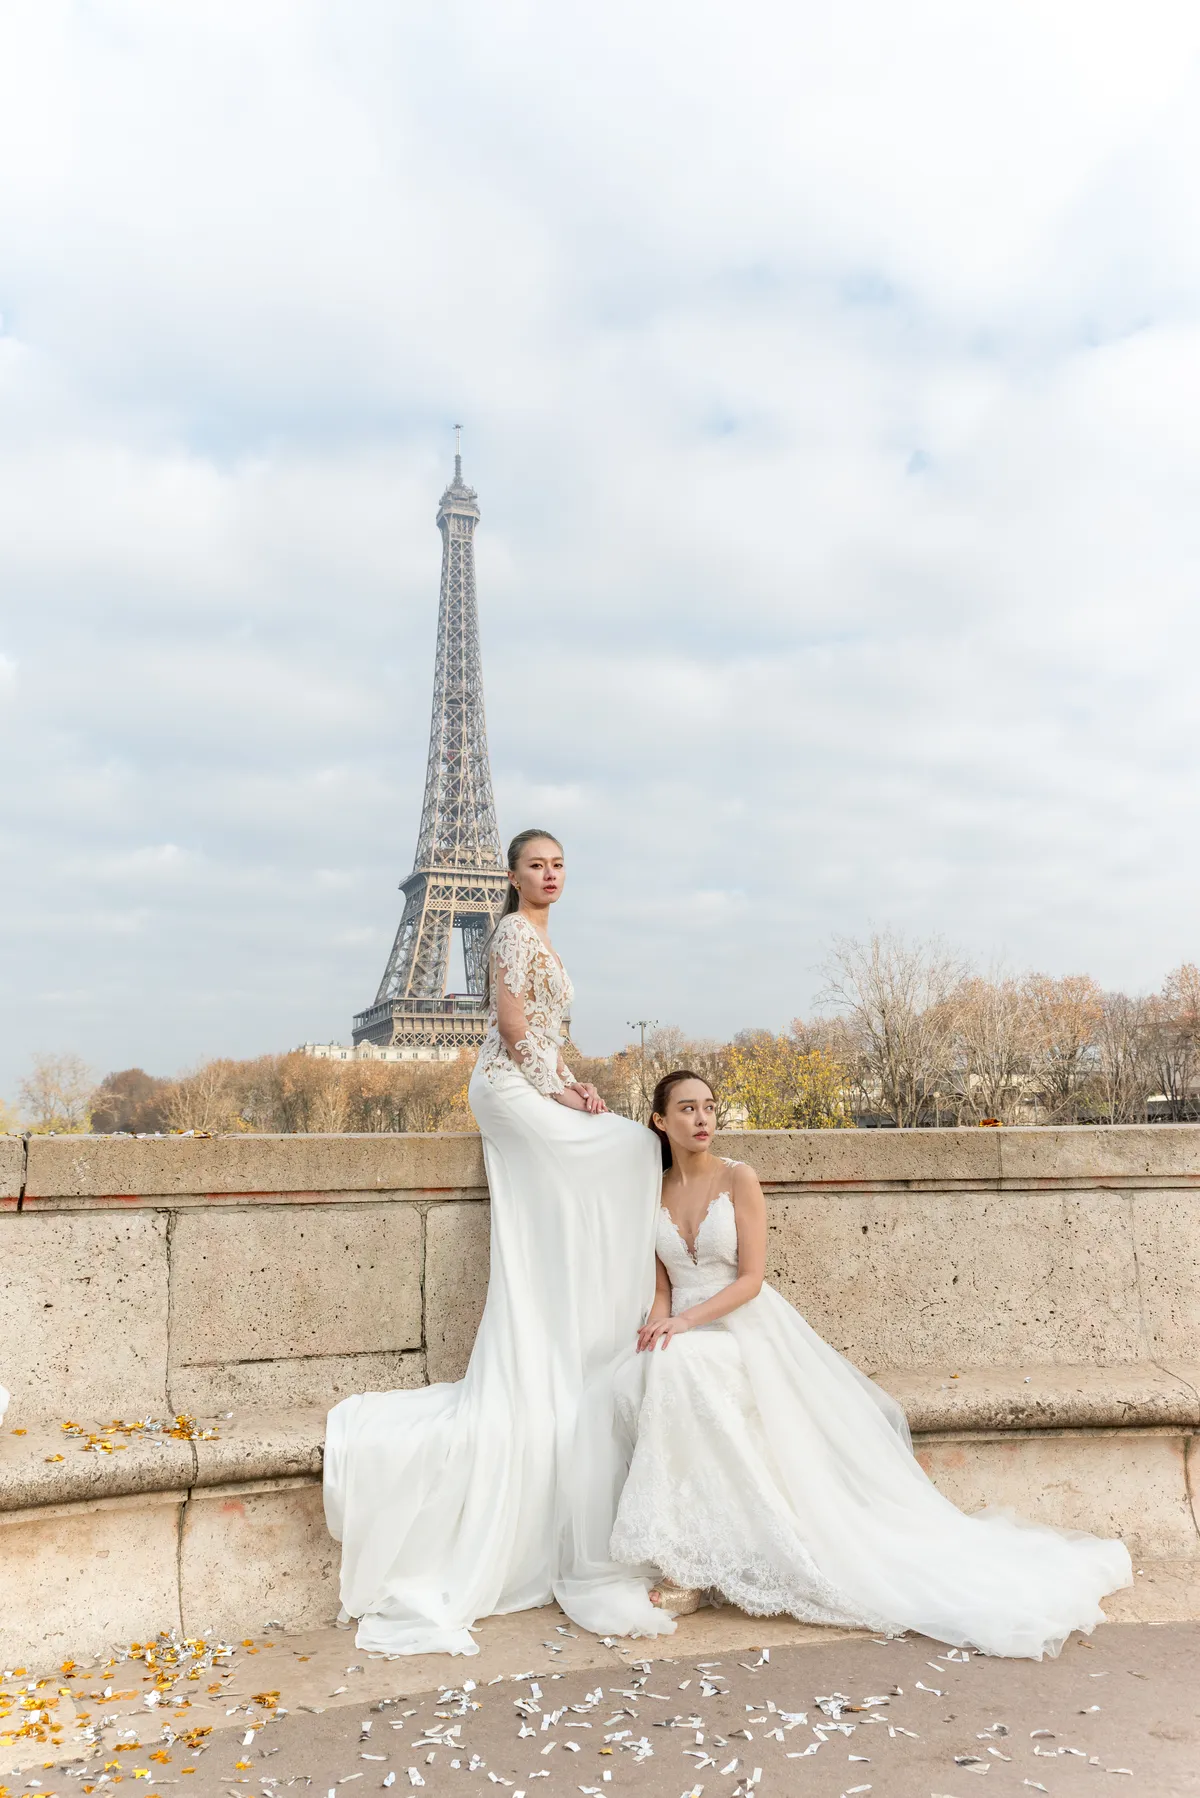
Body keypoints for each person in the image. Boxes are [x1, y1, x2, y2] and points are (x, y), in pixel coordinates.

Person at [556, 1070, 1132, 1660]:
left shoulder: (739, 1178)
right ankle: (689, 1552)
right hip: (684, 1331)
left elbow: (752, 1280)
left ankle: (692, 1568)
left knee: (679, 1370)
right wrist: (657, 1321)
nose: (702, 1119)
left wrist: (686, 1323)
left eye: (708, 1107)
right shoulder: (650, 1192)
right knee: (639, 1374)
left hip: (738, 1329)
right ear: (660, 1121)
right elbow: (662, 1282)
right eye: (686, 1109)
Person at [323, 830, 661, 1656]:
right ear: (508, 876)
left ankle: (573, 1319)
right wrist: (564, 1088)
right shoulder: (511, 928)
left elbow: (542, 1024)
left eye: (559, 866)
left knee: (613, 1152)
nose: (550, 876)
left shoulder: (542, 933)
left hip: (533, 1080)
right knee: (623, 1147)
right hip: (507, 1088)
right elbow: (511, 1026)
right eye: (537, 866)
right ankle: (582, 1321)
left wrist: (571, 1080)